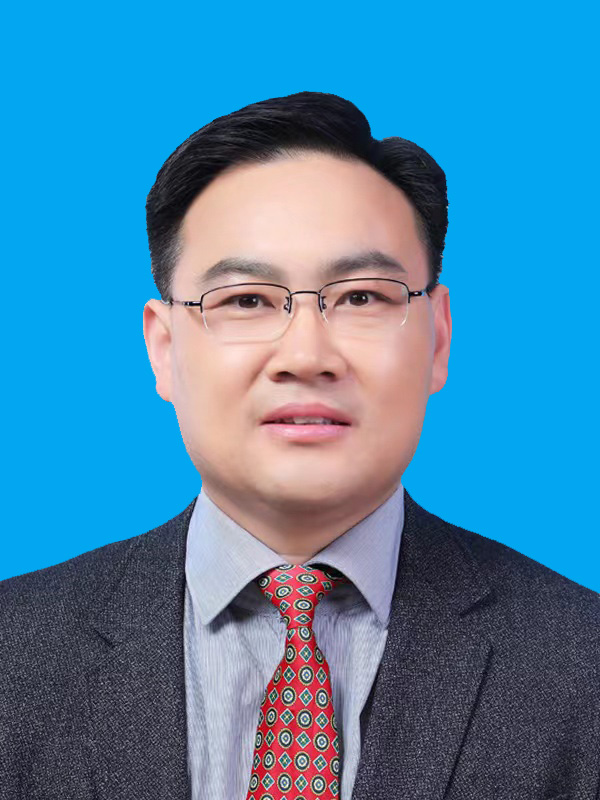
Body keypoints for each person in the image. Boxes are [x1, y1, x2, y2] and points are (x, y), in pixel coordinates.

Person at [1, 91, 599, 800]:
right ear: (163, 349)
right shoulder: (15, 652)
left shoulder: (579, 663)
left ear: (438, 339)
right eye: (246, 300)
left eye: (362, 297)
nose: (307, 356)